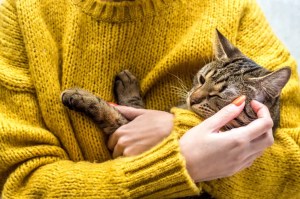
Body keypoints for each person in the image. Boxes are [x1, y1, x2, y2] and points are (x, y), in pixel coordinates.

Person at [0, 0, 299, 198]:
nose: (194, 96)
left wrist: (178, 132)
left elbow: (294, 168)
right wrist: (176, 161)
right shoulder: (21, 12)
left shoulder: (232, 8)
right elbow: (19, 186)